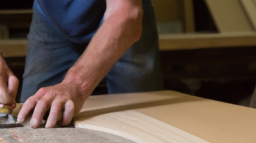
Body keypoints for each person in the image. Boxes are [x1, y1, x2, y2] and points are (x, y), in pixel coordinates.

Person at [0, 0, 163, 128]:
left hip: (121, 14)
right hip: (51, 13)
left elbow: (127, 13)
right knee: (32, 114)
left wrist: (76, 85)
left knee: (142, 121)